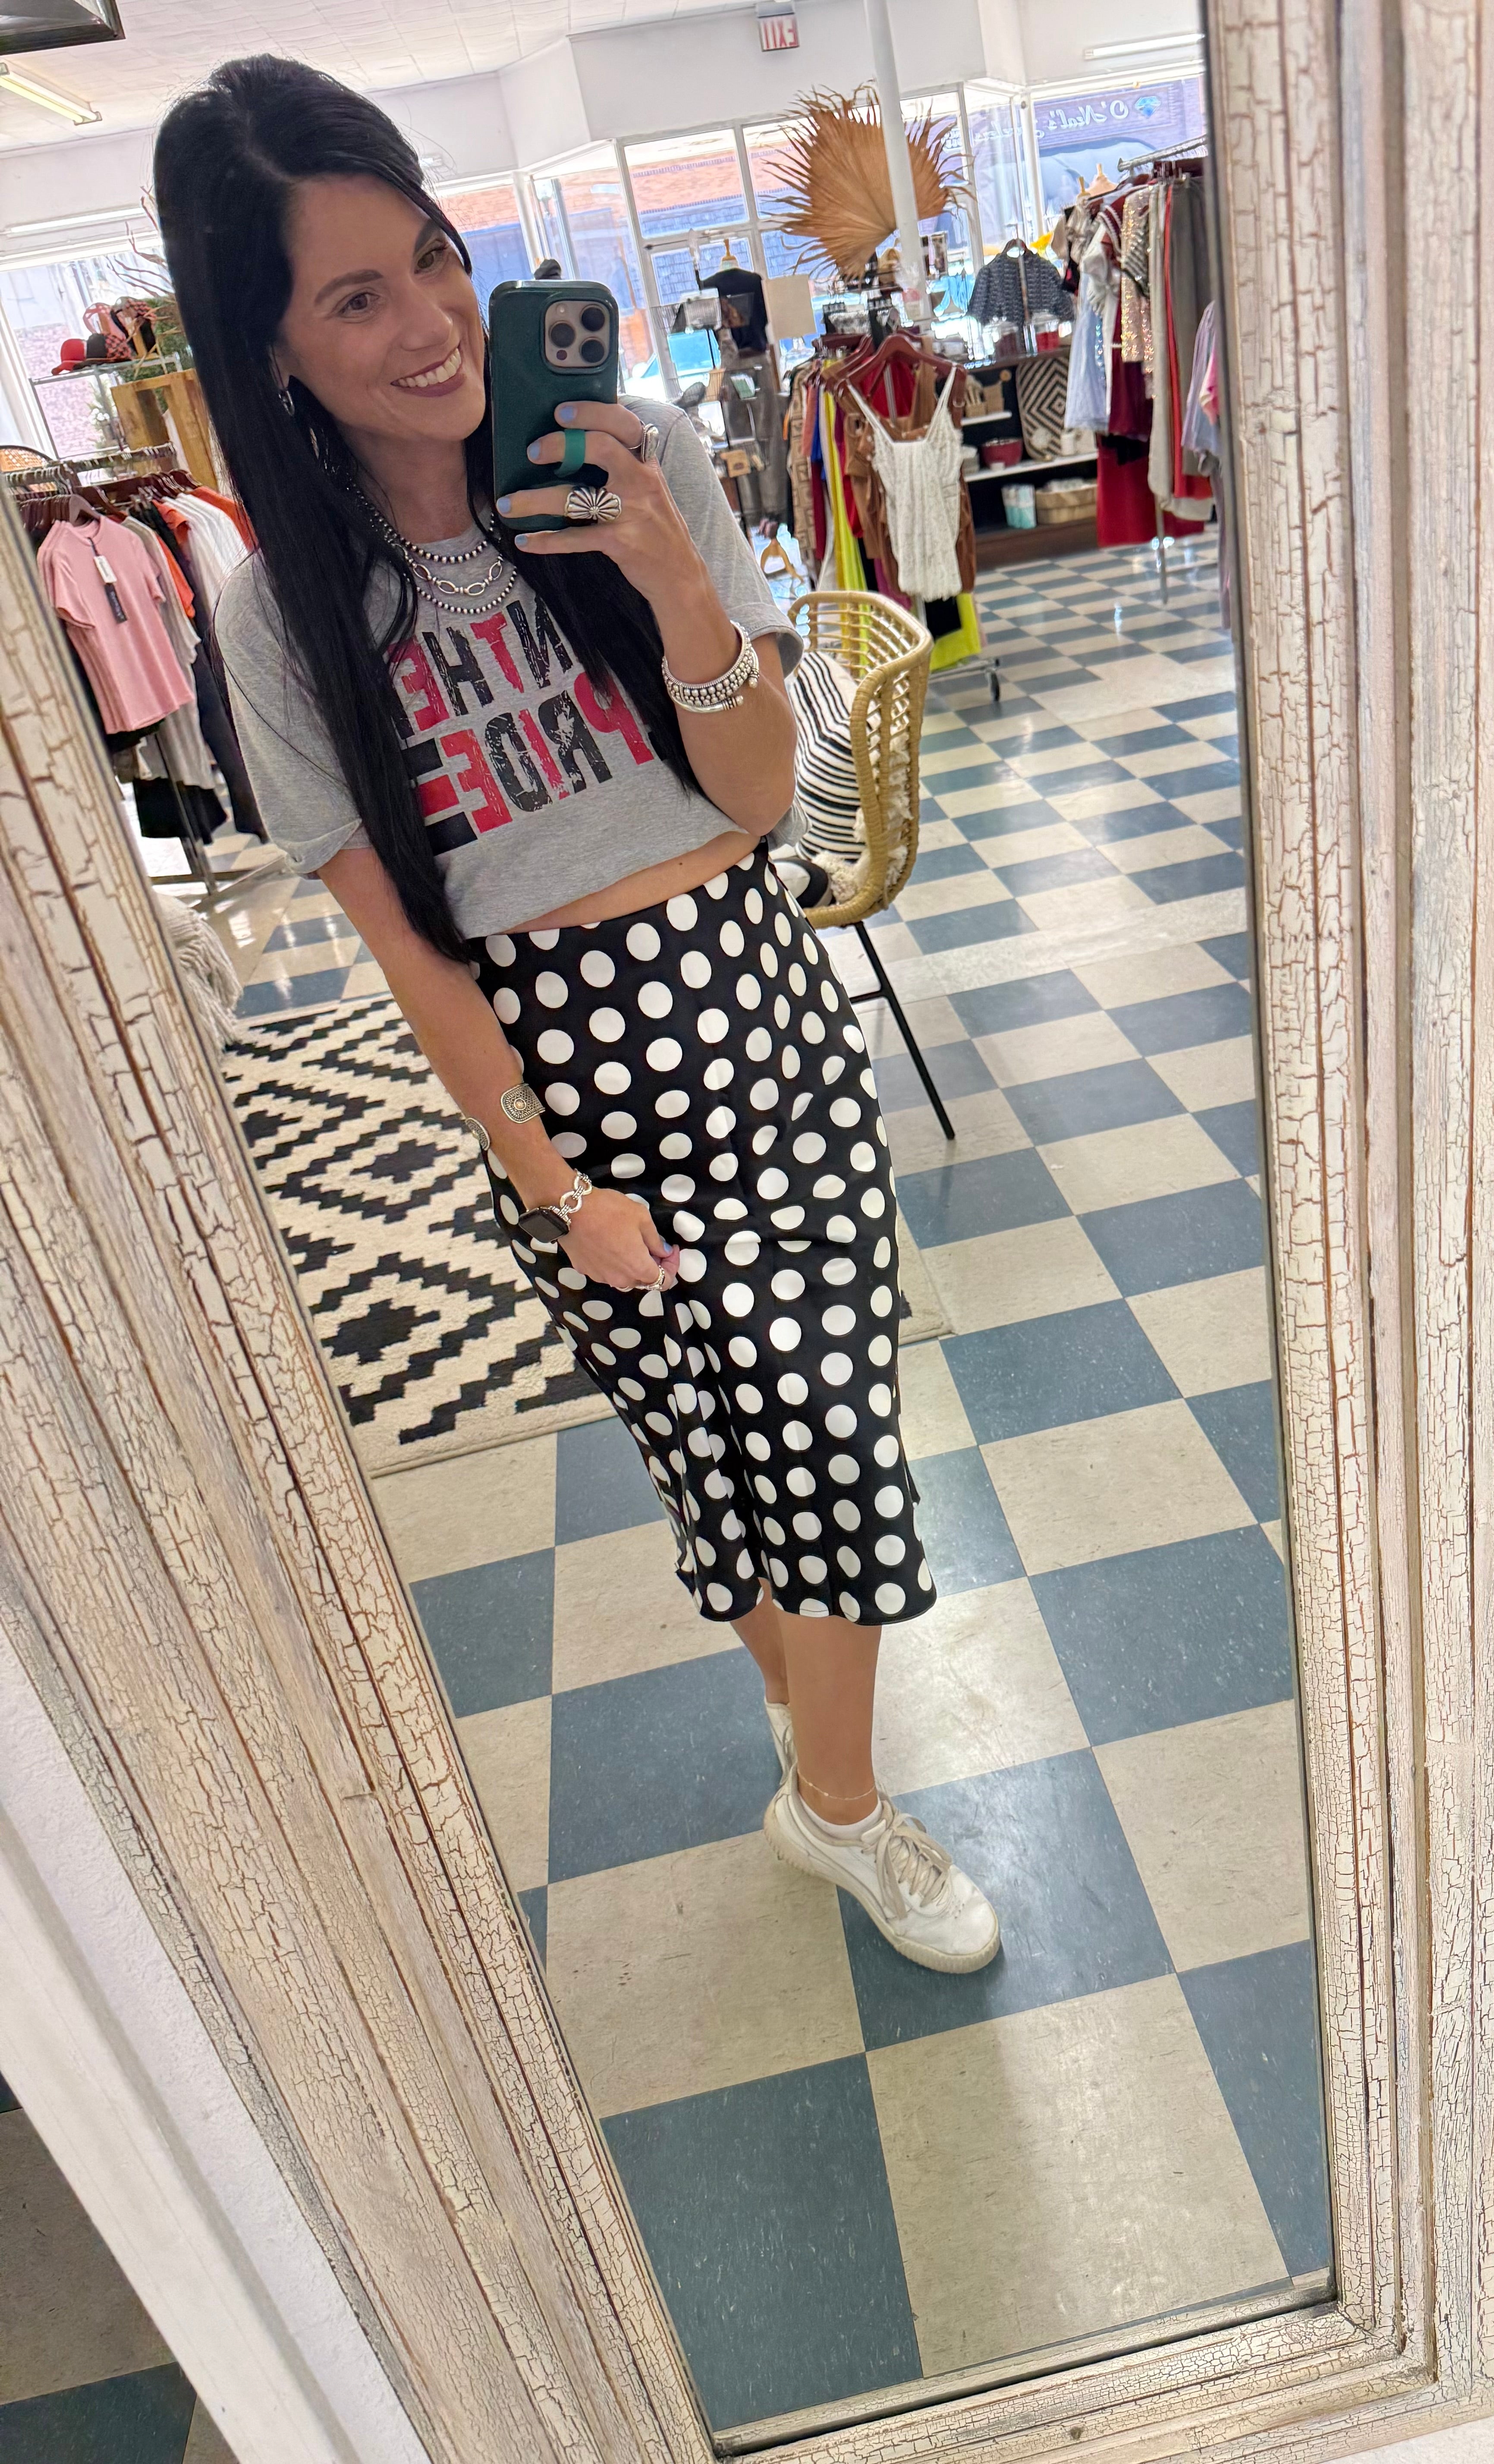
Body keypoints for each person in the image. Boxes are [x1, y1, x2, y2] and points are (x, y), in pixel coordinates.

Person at [153, 54, 999, 1974]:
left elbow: (765, 801)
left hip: (758, 1012)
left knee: (830, 1439)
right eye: (353, 298)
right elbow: (414, 955)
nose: (430, 325)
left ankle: (842, 1810)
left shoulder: (644, 455)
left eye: (433, 259)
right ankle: (811, 1741)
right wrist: (551, 1187)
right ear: (271, 350)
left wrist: (676, 580)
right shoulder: (277, 628)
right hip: (564, 1094)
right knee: (716, 1464)